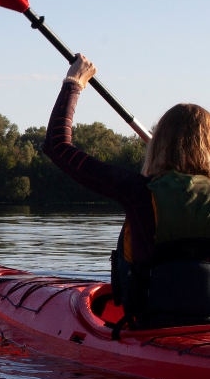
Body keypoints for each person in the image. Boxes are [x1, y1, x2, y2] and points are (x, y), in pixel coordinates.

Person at [46, 54, 210, 328]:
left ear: (158, 144)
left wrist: (74, 82)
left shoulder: (138, 190)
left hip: (150, 326)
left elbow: (58, 146)